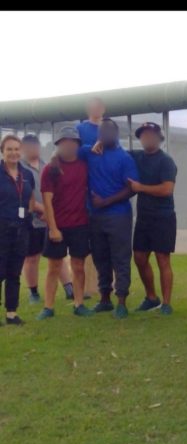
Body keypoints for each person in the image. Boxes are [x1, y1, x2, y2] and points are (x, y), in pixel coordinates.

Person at [80, 119, 138, 319]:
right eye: (102, 132)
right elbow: (64, 153)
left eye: (109, 132)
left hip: (118, 216)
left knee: (120, 258)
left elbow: (131, 188)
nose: (105, 135)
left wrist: (106, 201)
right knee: (100, 258)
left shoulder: (125, 158)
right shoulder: (89, 152)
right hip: (95, 217)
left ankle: (121, 301)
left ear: (117, 134)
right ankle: (105, 299)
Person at [36, 127, 93, 320]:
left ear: (78, 145)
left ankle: (79, 304)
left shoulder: (84, 165)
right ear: (58, 145)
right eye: (64, 142)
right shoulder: (50, 169)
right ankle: (48, 307)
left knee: (78, 265)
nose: (68, 145)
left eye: (72, 142)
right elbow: (47, 201)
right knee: (54, 267)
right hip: (57, 225)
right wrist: (52, 228)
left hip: (80, 224)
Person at [125, 122, 177, 315]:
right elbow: (115, 152)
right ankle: (151, 297)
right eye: (144, 135)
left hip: (163, 218)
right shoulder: (136, 156)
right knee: (139, 257)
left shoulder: (166, 161)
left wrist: (141, 188)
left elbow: (167, 189)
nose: (148, 138)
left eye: (151, 134)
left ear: (159, 138)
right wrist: (99, 145)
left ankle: (166, 303)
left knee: (162, 259)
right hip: (144, 218)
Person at [21, 134, 75, 304]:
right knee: (31, 257)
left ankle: (69, 288)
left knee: (56, 256)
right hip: (31, 220)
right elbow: (24, 195)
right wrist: (41, 209)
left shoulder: (49, 165)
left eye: (36, 146)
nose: (34, 149)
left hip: (51, 220)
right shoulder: (20, 168)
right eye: (29, 146)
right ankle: (34, 292)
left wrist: (51, 213)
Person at [0, 135, 36, 325]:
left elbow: (29, 199)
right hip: (1, 229)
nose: (13, 153)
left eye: (16, 149)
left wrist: (31, 214)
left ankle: (11, 313)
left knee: (14, 273)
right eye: (9, 149)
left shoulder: (27, 174)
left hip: (21, 230)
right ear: (2, 152)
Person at [76, 97, 105, 299]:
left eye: (99, 106)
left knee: (104, 242)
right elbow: (74, 151)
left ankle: (104, 288)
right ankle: (83, 288)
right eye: (92, 107)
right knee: (83, 243)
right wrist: (89, 148)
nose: (96, 109)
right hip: (84, 193)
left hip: (105, 192)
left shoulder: (109, 128)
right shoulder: (80, 128)